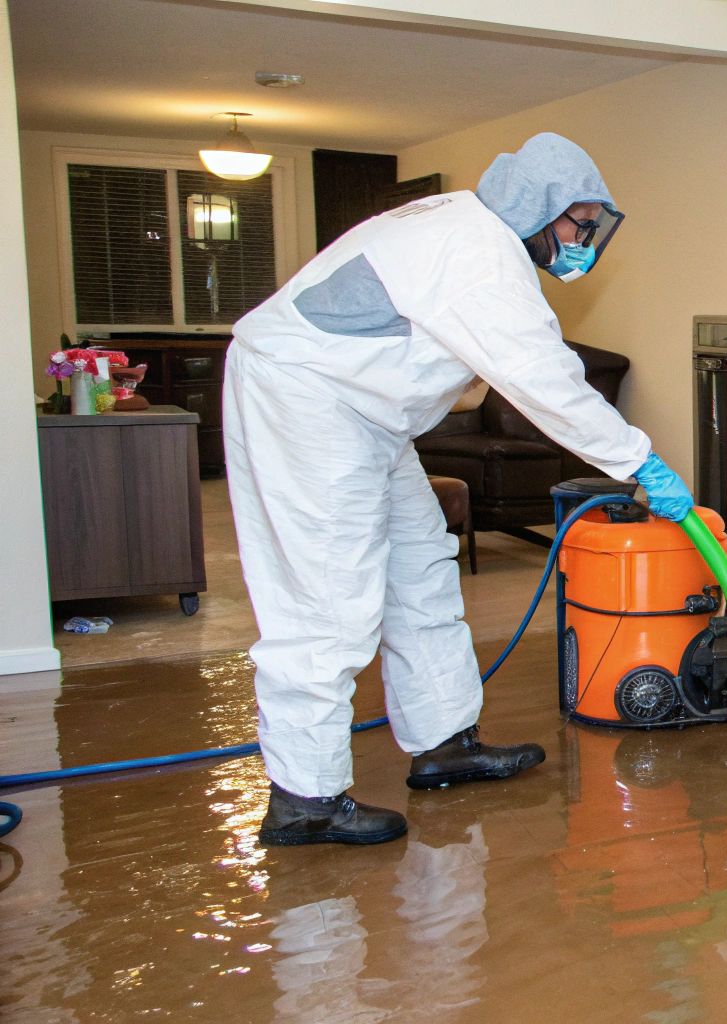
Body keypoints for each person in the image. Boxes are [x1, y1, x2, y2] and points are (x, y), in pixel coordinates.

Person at [225, 133, 694, 847]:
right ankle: (305, 799)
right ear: (541, 208)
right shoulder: (479, 255)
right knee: (325, 599)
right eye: (579, 221)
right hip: (306, 400)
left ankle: (444, 743)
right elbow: (546, 380)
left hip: (365, 416)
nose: (583, 239)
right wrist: (639, 462)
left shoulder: (470, 231)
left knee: (422, 568)